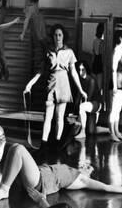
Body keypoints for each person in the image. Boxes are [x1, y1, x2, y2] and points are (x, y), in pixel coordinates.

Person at [0, 143, 122, 201]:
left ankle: (4, 189)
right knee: (13, 148)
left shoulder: (82, 180)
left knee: (19, 149)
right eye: (87, 165)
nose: (86, 166)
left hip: (40, 183)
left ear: (89, 174)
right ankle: (1, 181)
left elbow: (106, 187)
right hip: (36, 176)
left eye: (89, 168)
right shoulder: (71, 169)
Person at [24, 24, 87, 152]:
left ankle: (58, 144)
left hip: (64, 85)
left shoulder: (69, 52)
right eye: (55, 35)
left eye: (60, 35)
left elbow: (74, 72)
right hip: (51, 85)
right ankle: (43, 145)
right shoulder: (49, 51)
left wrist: (80, 90)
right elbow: (41, 71)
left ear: (63, 36)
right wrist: (29, 84)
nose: (58, 37)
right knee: (48, 117)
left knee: (59, 118)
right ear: (52, 37)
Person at [109, 27, 122, 142]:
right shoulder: (116, 50)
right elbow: (113, 69)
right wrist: (115, 86)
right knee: (113, 110)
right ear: (120, 38)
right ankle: (112, 132)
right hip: (115, 83)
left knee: (118, 109)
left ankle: (116, 131)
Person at [73, 60, 103, 139]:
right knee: (91, 131)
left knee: (82, 106)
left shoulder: (91, 80)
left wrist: (80, 108)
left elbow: (89, 97)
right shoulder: (80, 80)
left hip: (96, 103)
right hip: (88, 104)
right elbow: (79, 95)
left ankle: (82, 132)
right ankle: (108, 130)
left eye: (83, 70)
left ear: (86, 70)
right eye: (79, 70)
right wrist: (75, 109)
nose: (81, 72)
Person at [91, 23, 105, 107]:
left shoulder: (94, 40)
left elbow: (93, 53)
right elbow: (102, 54)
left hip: (95, 61)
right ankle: (100, 103)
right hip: (99, 61)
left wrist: (92, 64)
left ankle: (94, 101)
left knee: (94, 85)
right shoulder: (102, 42)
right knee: (100, 87)